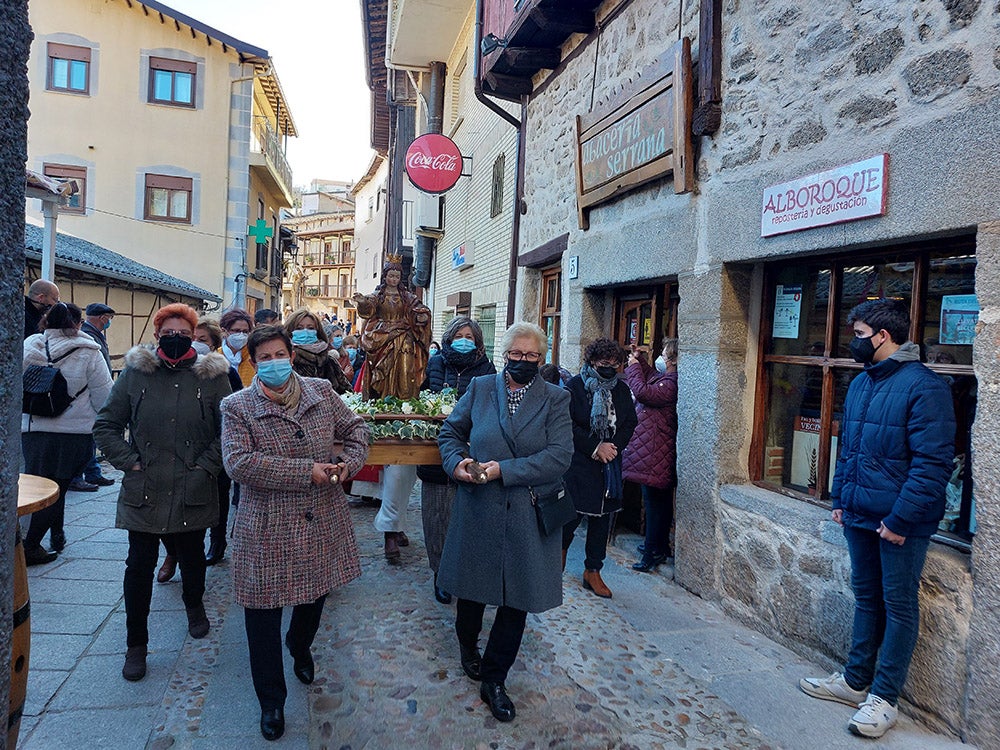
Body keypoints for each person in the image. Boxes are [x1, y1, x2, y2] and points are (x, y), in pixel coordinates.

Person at [799, 298, 955, 739]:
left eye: (860, 334)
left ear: (883, 337)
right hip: (860, 515)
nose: (854, 342)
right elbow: (851, 447)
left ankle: (884, 698)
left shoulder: (925, 387)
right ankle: (853, 681)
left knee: (899, 605)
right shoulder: (864, 382)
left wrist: (901, 519)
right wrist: (841, 498)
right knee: (866, 597)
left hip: (902, 523)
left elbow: (933, 464)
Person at [221, 325, 369, 741]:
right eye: (263, 357)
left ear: (291, 354)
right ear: (252, 361)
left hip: (321, 517)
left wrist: (346, 466)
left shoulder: (322, 390)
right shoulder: (236, 407)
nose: (273, 363)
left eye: (278, 354)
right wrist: (309, 472)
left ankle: (300, 644)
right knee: (261, 615)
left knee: (316, 592)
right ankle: (271, 700)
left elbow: (357, 429)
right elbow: (239, 463)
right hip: (264, 524)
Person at [436, 322, 572, 722]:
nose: (523, 361)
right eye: (516, 354)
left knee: (517, 601)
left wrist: (504, 470)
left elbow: (559, 456)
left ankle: (495, 677)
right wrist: (456, 462)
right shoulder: (479, 389)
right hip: (478, 506)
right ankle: (467, 646)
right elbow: (450, 433)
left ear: (542, 359)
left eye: (532, 356)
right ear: (504, 353)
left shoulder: (556, 399)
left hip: (528, 511)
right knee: (472, 590)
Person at [94, 303, 232, 683]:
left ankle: (194, 606)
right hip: (146, 487)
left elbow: (229, 432)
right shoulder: (136, 374)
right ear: (156, 335)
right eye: (168, 333)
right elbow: (106, 424)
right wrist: (130, 462)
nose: (176, 340)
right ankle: (136, 644)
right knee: (138, 566)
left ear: (194, 337)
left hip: (193, 485)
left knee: (191, 557)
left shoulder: (213, 378)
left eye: (183, 334)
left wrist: (206, 466)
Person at [352, 255, 432, 563]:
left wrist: (421, 315)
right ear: (385, 276)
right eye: (391, 274)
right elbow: (367, 310)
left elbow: (419, 313)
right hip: (382, 344)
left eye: (399, 275)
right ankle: (391, 529)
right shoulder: (378, 297)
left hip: (404, 346)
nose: (395, 279)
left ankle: (393, 528)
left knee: (402, 470)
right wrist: (362, 303)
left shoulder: (409, 298)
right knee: (395, 471)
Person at [21, 302, 113, 565]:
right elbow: (104, 394)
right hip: (74, 431)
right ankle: (32, 544)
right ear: (76, 323)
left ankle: (56, 534)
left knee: (43, 486)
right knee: (58, 485)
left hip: (33, 428)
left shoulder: (30, 346)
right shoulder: (88, 351)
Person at [417, 317, 496, 604]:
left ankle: (463, 571)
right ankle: (440, 574)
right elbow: (421, 396)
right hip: (435, 452)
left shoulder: (487, 368)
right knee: (437, 518)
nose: (465, 340)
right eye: (459, 335)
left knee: (467, 518)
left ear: (477, 342)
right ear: (449, 338)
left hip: (473, 451)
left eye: (470, 336)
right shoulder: (435, 363)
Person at [562, 338, 637, 599]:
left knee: (601, 521)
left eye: (615, 364)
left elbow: (630, 421)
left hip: (609, 466)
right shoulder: (574, 387)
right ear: (592, 361)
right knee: (569, 519)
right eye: (605, 363)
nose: (610, 368)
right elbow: (567, 424)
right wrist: (595, 446)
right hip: (579, 463)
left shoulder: (622, 390)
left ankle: (593, 570)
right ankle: (554, 564)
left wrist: (612, 447)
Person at [622, 339, 679, 572]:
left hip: (657, 450)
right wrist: (641, 362)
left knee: (655, 503)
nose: (661, 360)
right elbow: (652, 377)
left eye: (664, 356)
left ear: (674, 360)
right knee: (657, 500)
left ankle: (653, 551)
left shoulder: (673, 383)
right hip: (654, 449)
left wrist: (634, 367)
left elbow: (645, 392)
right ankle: (659, 545)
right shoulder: (665, 378)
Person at [70, 302, 117, 490]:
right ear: (102, 318)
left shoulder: (94, 334)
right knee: (86, 437)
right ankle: (80, 475)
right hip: (88, 393)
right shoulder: (89, 336)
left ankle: (93, 473)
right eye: (109, 318)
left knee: (91, 436)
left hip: (92, 390)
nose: (109, 322)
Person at [283, 307, 352, 393]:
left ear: (318, 332)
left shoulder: (329, 362)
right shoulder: (285, 362)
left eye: (310, 328)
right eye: (299, 328)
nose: (306, 331)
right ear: (290, 331)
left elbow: (346, 393)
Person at [220, 308, 255, 387]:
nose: (241, 335)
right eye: (236, 331)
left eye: (245, 331)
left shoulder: (253, 357)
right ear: (224, 331)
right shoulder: (216, 355)